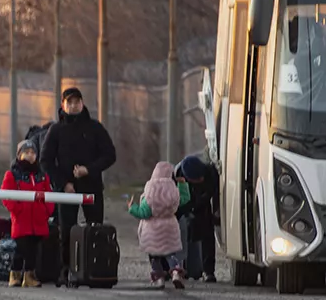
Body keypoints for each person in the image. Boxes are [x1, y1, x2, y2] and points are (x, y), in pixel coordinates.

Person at [40, 87, 116, 285]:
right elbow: (45, 161)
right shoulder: (56, 130)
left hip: (91, 187)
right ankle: (66, 270)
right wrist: (63, 183)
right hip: (66, 191)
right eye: (69, 102)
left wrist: (88, 170)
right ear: (63, 105)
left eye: (77, 101)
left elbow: (109, 155)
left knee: (96, 228)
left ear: (82, 103)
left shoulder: (94, 128)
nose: (73, 105)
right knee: (66, 230)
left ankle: (96, 269)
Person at [0, 140, 55, 288]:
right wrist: (18, 209)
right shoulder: (12, 174)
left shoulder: (42, 175)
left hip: (38, 220)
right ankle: (15, 274)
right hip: (21, 220)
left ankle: (29, 276)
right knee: (20, 249)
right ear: (19, 155)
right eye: (27, 153)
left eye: (33, 153)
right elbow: (6, 196)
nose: (30, 156)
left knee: (34, 249)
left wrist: (46, 211)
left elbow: (49, 195)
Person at [128, 161, 191, 289]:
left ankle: (159, 278)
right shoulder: (173, 191)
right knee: (170, 253)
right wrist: (182, 184)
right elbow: (185, 199)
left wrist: (132, 207)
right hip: (170, 228)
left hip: (153, 231)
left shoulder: (151, 191)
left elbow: (144, 213)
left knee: (155, 256)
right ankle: (175, 271)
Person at [175, 154, 221, 282]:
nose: (201, 179)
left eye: (202, 178)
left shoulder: (211, 173)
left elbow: (216, 195)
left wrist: (217, 212)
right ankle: (180, 268)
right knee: (182, 235)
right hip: (184, 205)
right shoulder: (178, 175)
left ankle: (208, 270)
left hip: (203, 205)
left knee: (207, 234)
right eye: (198, 179)